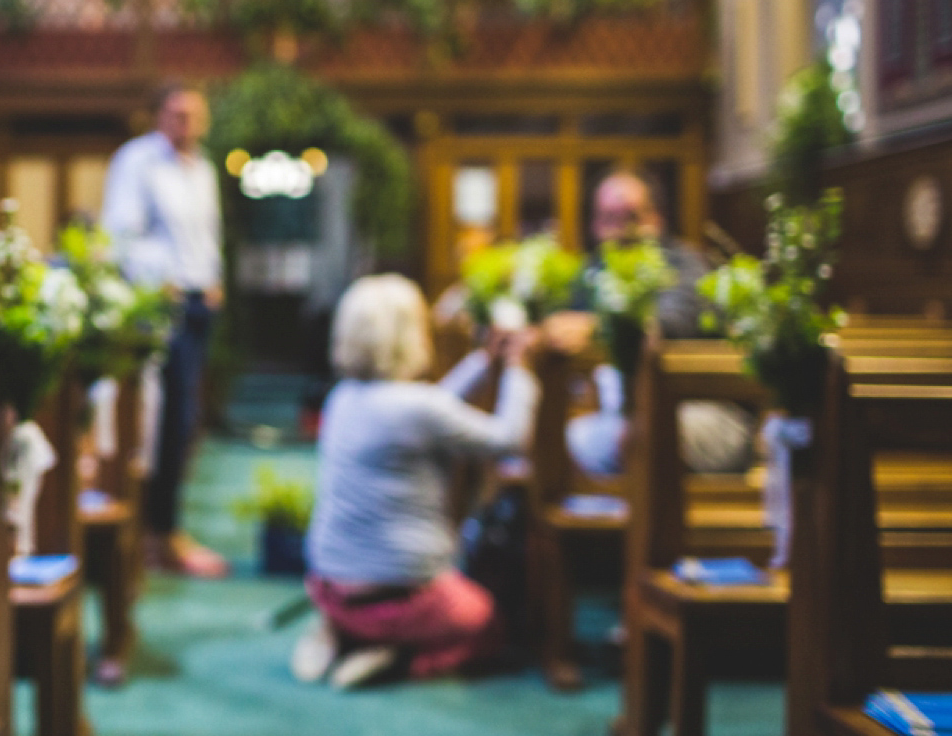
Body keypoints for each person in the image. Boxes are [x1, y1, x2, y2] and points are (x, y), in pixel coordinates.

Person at [294, 273, 540, 690]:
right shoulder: (419, 410)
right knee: (489, 624)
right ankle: (402, 658)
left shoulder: (342, 398)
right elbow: (509, 439)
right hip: (402, 599)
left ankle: (343, 634)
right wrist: (519, 369)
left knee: (366, 604)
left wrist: (482, 360)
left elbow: (433, 407)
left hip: (329, 587)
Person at [101, 80, 229, 579]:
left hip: (200, 301)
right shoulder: (137, 161)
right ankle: (160, 532)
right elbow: (121, 234)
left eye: (195, 116)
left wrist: (214, 279)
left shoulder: (204, 168)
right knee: (164, 420)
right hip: (160, 305)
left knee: (186, 418)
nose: (187, 125)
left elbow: (207, 234)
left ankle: (164, 529)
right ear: (160, 117)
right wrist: (162, 282)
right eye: (177, 115)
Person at [546, 170, 754, 475]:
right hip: (630, 412)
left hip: (703, 411)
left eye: (630, 217)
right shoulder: (593, 271)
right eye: (608, 218)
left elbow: (674, 322)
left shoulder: (684, 264)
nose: (620, 230)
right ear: (594, 225)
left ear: (656, 218)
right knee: (559, 437)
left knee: (632, 437)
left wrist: (597, 327)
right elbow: (564, 320)